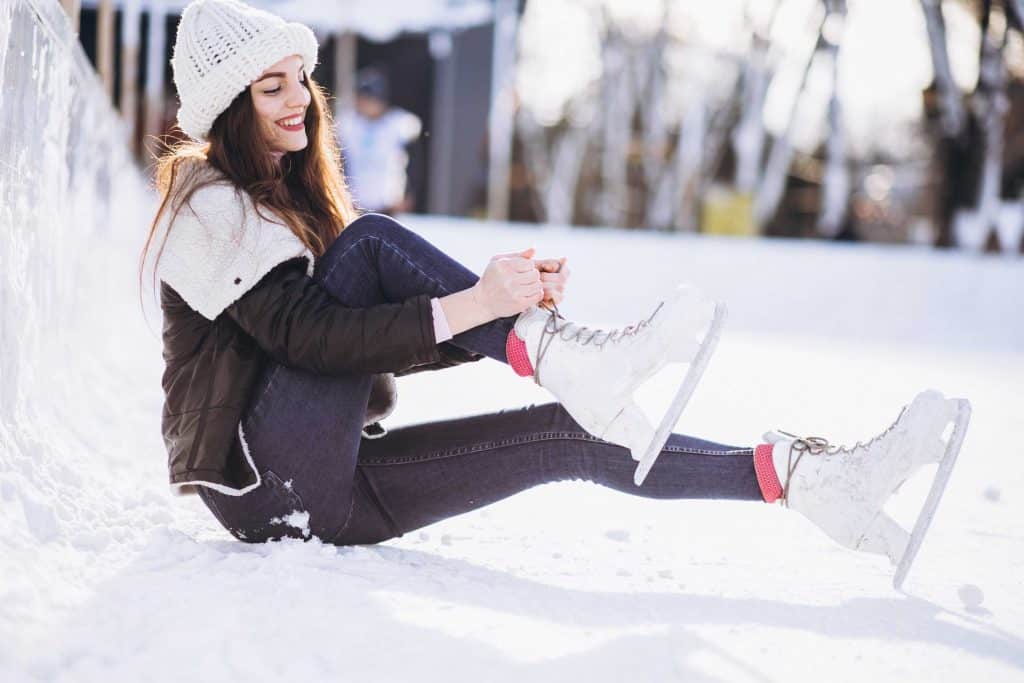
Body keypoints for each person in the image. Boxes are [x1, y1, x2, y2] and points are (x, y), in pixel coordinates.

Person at [141, 0, 970, 589]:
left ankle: (809, 482)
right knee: (371, 244)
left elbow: (363, 344)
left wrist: (495, 306)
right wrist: (484, 310)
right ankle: (554, 350)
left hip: (324, 487)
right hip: (263, 486)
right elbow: (309, 339)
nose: (299, 101)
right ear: (230, 106)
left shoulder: (289, 200)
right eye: (271, 86)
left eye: (298, 79)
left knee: (576, 431)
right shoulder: (203, 200)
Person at [335, 65, 421, 214]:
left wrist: (409, 194)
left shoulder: (399, 124)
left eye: (367, 99)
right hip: (355, 205)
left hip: (388, 205)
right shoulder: (348, 124)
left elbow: (414, 162)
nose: (362, 103)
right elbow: (338, 160)